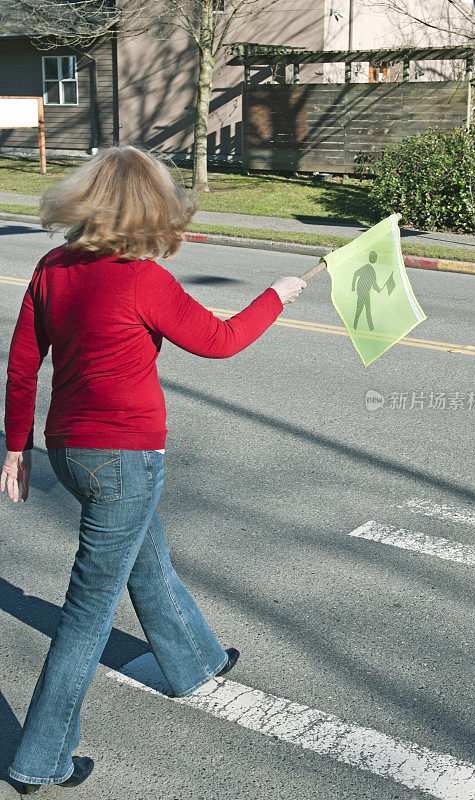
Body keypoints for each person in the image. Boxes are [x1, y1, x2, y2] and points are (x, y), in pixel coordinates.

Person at [1, 145, 307, 794]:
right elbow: (221, 341)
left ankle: (194, 661)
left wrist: (16, 448)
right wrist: (277, 296)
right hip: (124, 458)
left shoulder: (54, 266)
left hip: (72, 453)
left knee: (148, 561)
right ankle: (40, 757)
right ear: (151, 207)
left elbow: (24, 363)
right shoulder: (143, 280)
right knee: (87, 614)